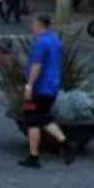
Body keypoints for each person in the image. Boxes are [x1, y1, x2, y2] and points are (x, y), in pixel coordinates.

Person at [19, 14, 73, 168]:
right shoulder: (56, 40)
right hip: (52, 86)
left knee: (32, 120)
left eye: (33, 23)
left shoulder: (41, 43)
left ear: (39, 24)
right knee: (44, 117)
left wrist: (29, 85)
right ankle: (65, 144)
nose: (32, 26)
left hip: (38, 88)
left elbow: (37, 66)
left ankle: (34, 157)